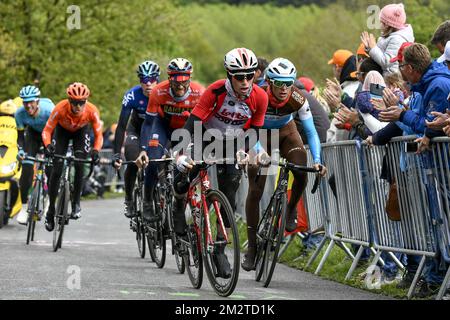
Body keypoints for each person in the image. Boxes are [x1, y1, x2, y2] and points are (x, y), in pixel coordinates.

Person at [173, 48, 268, 278]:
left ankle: (219, 248)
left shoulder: (260, 97)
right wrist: (182, 154)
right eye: (239, 76)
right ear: (229, 74)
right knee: (187, 171)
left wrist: (245, 152)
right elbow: (192, 124)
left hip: (233, 142)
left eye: (250, 75)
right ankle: (179, 204)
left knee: (230, 191)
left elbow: (254, 131)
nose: (245, 82)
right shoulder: (214, 92)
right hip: (204, 137)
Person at [241, 58, 327, 271]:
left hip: (287, 132)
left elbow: (311, 132)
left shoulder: (298, 98)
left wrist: (317, 161)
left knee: (301, 168)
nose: (284, 88)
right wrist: (259, 153)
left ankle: (290, 209)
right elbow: (248, 130)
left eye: (288, 83)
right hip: (259, 135)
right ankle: (252, 248)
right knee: (255, 188)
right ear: (269, 82)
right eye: (279, 83)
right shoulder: (256, 95)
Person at [135, 58, 205, 223]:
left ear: (189, 79)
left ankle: (178, 206)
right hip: (163, 127)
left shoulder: (200, 93)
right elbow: (148, 123)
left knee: (184, 168)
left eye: (184, 82)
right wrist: (144, 149)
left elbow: (204, 124)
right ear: (169, 79)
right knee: (153, 160)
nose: (180, 87)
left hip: (185, 131)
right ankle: (147, 201)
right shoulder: (158, 92)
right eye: (175, 83)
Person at [42, 82, 103, 232]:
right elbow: (47, 131)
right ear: (69, 101)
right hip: (62, 132)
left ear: (86, 102)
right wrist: (48, 145)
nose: (78, 106)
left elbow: (99, 135)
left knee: (80, 163)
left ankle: (76, 203)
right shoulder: (60, 109)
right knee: (56, 169)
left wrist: (96, 150)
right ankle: (50, 210)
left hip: (81, 133)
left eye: (81, 103)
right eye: (75, 103)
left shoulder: (92, 111)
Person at [112, 60, 161, 218]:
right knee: (133, 160)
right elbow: (121, 127)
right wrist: (116, 155)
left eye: (152, 79)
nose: (148, 84)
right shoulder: (132, 95)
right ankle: (129, 199)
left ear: (158, 79)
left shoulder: (164, 93)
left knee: (161, 162)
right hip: (136, 130)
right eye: (144, 80)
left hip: (157, 131)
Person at [14, 85, 55, 225]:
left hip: (50, 134)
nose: (28, 105)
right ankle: (24, 207)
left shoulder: (49, 110)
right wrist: (20, 149)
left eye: (31, 101)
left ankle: (50, 199)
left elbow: (59, 132)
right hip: (32, 135)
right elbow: (20, 136)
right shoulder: (19, 114)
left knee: (51, 168)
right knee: (26, 167)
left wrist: (52, 148)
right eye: (25, 102)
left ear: (37, 101)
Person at [361, 3, 414, 75]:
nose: (379, 25)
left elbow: (387, 62)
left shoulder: (397, 39)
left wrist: (373, 48)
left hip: (391, 79)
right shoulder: (389, 37)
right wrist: (369, 48)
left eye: (381, 22)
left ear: (387, 25)